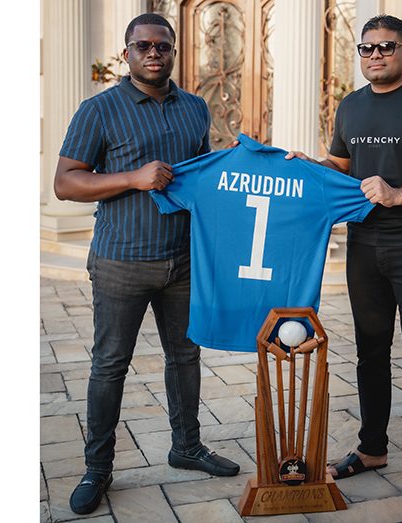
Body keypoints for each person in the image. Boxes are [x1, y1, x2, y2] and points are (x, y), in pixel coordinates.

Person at [284, 14, 402, 513]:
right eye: (366, 49)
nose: (374, 55)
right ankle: (372, 449)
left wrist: (400, 195)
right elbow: (344, 170)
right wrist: (311, 167)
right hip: (363, 245)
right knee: (370, 351)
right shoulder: (350, 107)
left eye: (385, 47)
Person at [53, 13, 239, 516]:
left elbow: (200, 179)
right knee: (109, 365)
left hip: (183, 260)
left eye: (163, 45)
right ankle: (98, 469)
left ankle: (186, 447)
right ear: (127, 52)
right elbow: (66, 183)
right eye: (142, 45)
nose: (153, 52)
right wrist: (133, 178)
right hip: (122, 260)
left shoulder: (196, 108)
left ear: (174, 51)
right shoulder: (99, 110)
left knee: (185, 358)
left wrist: (249, 164)